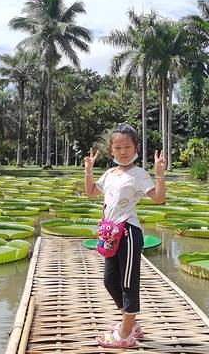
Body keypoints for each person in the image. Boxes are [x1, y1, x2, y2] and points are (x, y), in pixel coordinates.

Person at [84, 122, 166, 349]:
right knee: (110, 281)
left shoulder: (139, 174)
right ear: (111, 151)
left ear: (136, 149)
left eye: (127, 147)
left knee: (128, 283)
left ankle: (125, 334)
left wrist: (160, 174)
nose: (123, 152)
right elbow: (91, 192)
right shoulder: (110, 174)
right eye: (118, 148)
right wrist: (88, 170)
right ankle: (131, 322)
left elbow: (158, 198)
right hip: (110, 234)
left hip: (128, 232)